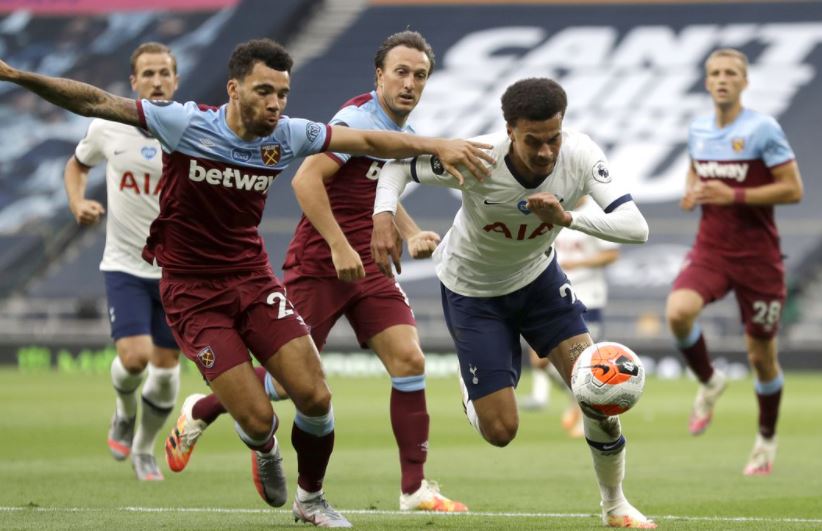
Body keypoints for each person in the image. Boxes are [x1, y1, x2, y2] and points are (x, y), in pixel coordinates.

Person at [0, 38, 491, 528]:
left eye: (283, 93)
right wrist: (20, 77)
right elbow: (97, 102)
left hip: (254, 280)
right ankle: (264, 447)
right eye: (264, 91)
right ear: (234, 90)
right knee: (259, 419)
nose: (276, 104)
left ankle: (312, 500)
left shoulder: (287, 135)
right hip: (193, 293)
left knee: (316, 395)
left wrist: (436, 145)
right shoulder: (186, 124)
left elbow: (367, 146)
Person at [174, 31, 466, 513]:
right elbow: (306, 178)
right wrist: (337, 245)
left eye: (419, 75)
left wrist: (409, 231)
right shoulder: (357, 119)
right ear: (379, 75)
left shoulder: (404, 130)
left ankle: (414, 490)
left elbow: (380, 193)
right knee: (291, 386)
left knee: (410, 361)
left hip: (369, 267)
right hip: (320, 264)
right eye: (401, 72)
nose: (410, 83)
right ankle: (203, 408)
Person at [371, 78, 655, 528]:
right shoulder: (476, 158)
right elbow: (396, 168)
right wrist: (384, 216)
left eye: (553, 138)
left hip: (539, 281)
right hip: (472, 292)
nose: (546, 152)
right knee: (501, 432)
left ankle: (615, 504)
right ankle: (473, 381)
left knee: (596, 393)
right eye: (533, 141)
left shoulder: (580, 155)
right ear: (509, 131)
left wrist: (567, 218)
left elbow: (636, 227)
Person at [665, 48, 803, 476]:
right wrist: (692, 190)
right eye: (715, 73)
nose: (722, 79)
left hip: (759, 257)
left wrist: (734, 195)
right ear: (706, 82)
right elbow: (695, 171)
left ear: (744, 82)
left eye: (730, 73)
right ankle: (709, 381)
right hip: (712, 248)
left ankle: (765, 438)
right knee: (678, 312)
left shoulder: (763, 129)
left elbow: (793, 189)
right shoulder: (699, 129)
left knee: (761, 355)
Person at [63, 42, 182, 482]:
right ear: (134, 82)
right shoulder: (107, 127)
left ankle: (144, 449)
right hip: (125, 265)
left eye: (163, 73)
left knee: (167, 374)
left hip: (177, 271)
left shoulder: (192, 129)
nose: (156, 81)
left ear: (176, 79)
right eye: (147, 74)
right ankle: (123, 411)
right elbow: (76, 166)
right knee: (135, 359)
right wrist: (78, 203)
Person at [520, 196, 620, 438]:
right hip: (554, 295)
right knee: (539, 361)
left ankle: (589, 416)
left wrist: (580, 262)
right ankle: (577, 397)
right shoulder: (553, 208)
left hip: (588, 297)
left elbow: (612, 254)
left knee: (585, 362)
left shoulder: (594, 214)